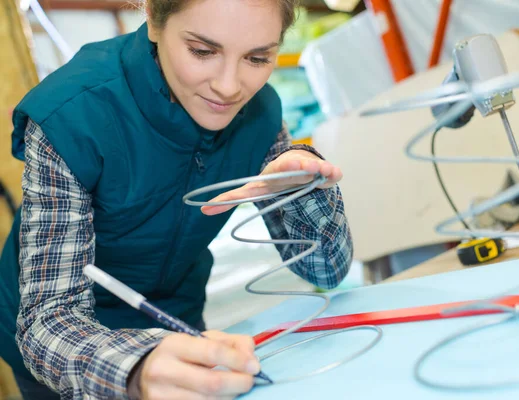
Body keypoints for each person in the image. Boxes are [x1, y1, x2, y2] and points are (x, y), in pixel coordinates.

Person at [0, 0, 353, 398]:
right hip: (63, 350)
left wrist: (301, 192)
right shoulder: (70, 115)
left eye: (257, 57)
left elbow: (327, 274)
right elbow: (48, 320)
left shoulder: (261, 113)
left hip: (178, 321)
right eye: (202, 51)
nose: (229, 86)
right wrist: (135, 369)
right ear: (152, 16)